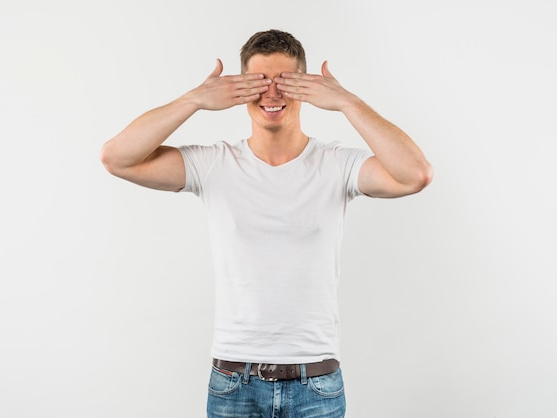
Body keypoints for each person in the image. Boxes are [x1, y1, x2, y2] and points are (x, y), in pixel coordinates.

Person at [100, 29, 432, 418]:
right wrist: (193, 100)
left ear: (305, 88)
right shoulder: (215, 164)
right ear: (240, 89)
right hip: (234, 382)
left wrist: (348, 103)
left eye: (285, 83)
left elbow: (415, 175)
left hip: (317, 384)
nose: (272, 95)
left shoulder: (337, 164)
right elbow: (117, 158)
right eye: (258, 83)